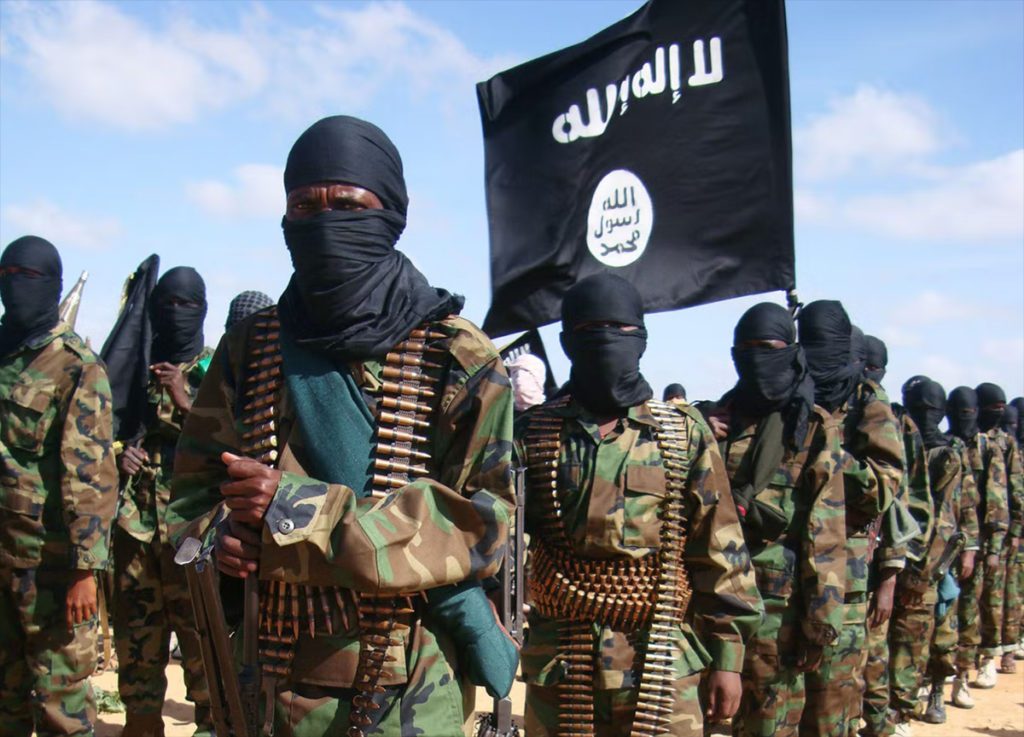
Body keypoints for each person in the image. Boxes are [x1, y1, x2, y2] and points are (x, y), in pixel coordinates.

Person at [167, 115, 517, 737]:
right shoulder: (251, 349)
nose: (325, 221)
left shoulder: (453, 355)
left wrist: (302, 511)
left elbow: (482, 524)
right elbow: (195, 493)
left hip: (406, 681)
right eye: (304, 206)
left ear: (391, 213)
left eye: (349, 204)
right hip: (265, 673)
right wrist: (220, 538)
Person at [516, 273, 761, 737]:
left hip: (659, 658)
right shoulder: (536, 432)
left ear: (642, 338)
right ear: (567, 343)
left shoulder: (682, 433)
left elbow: (720, 548)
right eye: (590, 332)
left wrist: (729, 658)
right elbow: (497, 536)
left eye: (622, 330)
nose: (607, 341)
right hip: (562, 659)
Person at [707, 303, 846, 737]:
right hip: (709, 613)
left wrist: (820, 624)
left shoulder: (811, 429)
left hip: (777, 622)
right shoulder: (714, 420)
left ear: (790, 350)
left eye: (767, 347)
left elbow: (826, 534)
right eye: (745, 349)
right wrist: (700, 435)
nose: (755, 358)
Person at [0, 236, 118, 736]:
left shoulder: (75, 366)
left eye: (27, 277)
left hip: (49, 566)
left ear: (52, 284)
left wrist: (85, 570)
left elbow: (90, 476)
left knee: (60, 703)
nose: (15, 288)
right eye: (6, 277)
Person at [113, 266, 213, 737]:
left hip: (193, 538)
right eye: (168, 304)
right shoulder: (135, 369)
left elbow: (236, 442)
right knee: (138, 653)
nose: (177, 314)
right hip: (135, 534)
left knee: (206, 657)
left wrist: (184, 398)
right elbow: (101, 430)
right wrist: (120, 452)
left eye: (187, 305)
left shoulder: (218, 368)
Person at [796, 301, 904, 737]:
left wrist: (831, 456)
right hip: (783, 579)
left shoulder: (868, 404)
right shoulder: (789, 388)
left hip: (846, 582)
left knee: (832, 708)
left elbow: (885, 487)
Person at [887, 378, 977, 733]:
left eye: (931, 409)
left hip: (933, 562)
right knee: (900, 637)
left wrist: (925, 570)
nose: (925, 415)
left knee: (928, 635)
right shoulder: (899, 443)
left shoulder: (948, 455)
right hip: (898, 557)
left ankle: (920, 700)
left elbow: (948, 517)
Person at [859, 336, 932, 737]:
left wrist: (890, 576)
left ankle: (880, 723)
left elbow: (905, 506)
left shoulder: (895, 424)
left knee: (872, 655)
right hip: (829, 568)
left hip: (875, 566)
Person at [946, 385, 1007, 706]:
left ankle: (964, 676)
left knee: (970, 612)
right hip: (943, 547)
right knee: (942, 615)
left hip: (975, 545)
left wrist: (992, 547)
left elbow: (996, 502)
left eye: (970, 411)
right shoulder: (943, 444)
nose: (965, 418)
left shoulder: (989, 449)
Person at [975, 383, 1023, 678]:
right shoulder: (968, 440)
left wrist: (1014, 531)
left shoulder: (1005, 444)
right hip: (969, 533)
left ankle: (998, 653)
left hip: (999, 532)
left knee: (999, 595)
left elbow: (1014, 492)